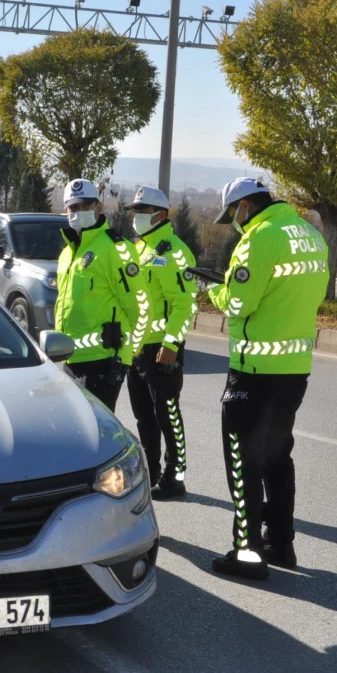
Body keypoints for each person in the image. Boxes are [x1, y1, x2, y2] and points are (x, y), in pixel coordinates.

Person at [205, 177, 328, 580]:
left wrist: (214, 293)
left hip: (253, 372)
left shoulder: (258, 238)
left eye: (234, 214)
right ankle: (280, 544)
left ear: (244, 206)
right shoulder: (309, 234)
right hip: (294, 370)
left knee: (243, 464)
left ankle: (248, 554)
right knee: (277, 459)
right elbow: (315, 294)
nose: (235, 223)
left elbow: (239, 303)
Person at [124, 186, 199, 499]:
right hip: (137, 348)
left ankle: (175, 474)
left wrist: (171, 344)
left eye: (143, 211)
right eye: (135, 211)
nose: (137, 217)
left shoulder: (175, 252)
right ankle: (152, 472)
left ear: (162, 214)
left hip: (162, 349)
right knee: (144, 415)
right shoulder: (140, 249)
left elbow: (185, 303)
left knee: (167, 413)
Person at [54, 178, 142, 410]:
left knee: (98, 432)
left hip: (102, 360)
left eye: (85, 206)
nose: (78, 212)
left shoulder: (115, 248)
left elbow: (137, 305)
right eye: (73, 207)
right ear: (65, 210)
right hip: (71, 357)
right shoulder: (67, 253)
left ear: (98, 207)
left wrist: (128, 352)